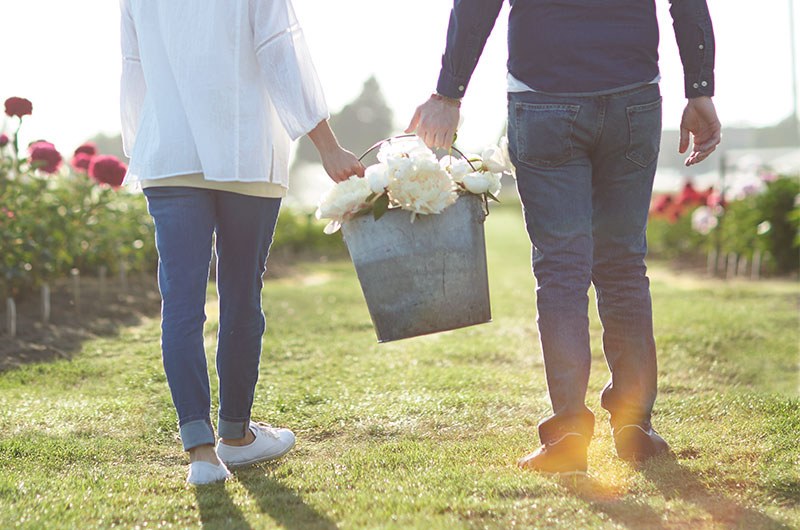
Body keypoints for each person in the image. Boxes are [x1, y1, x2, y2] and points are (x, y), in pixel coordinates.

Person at [407, 0, 721, 475]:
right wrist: (700, 90)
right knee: (622, 266)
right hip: (632, 96)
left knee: (560, 269)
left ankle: (570, 433)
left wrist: (449, 93)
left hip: (544, 97)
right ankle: (635, 426)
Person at [119, 0, 364, 485]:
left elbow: (134, 67)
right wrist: (328, 146)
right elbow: (282, 51)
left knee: (182, 303)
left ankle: (203, 456)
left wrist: (140, 146)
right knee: (239, 295)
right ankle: (236, 434)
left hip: (170, 153)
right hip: (244, 149)